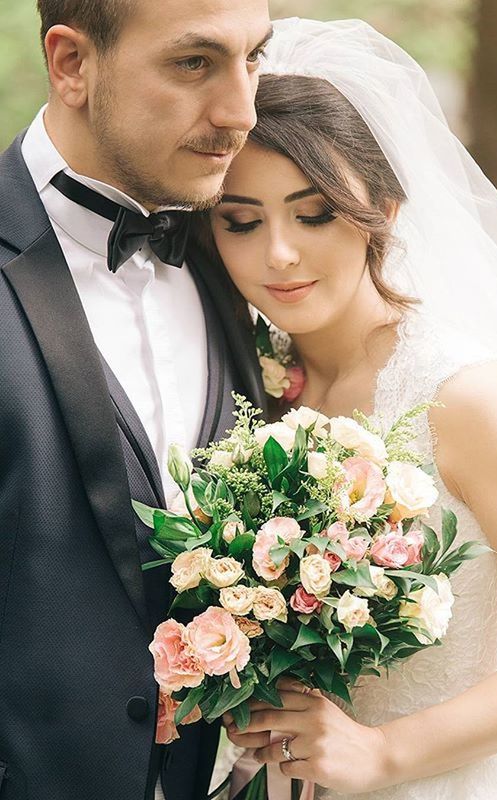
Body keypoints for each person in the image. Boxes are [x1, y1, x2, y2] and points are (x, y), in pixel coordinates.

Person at [210, 18, 497, 799]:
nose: (278, 253)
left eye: (314, 214)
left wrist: (383, 754)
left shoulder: (462, 393)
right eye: (241, 222)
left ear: (386, 207)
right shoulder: (254, 388)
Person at [0, 1, 270, 798]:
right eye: (194, 64)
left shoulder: (249, 249)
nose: (241, 112)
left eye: (254, 57)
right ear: (72, 64)